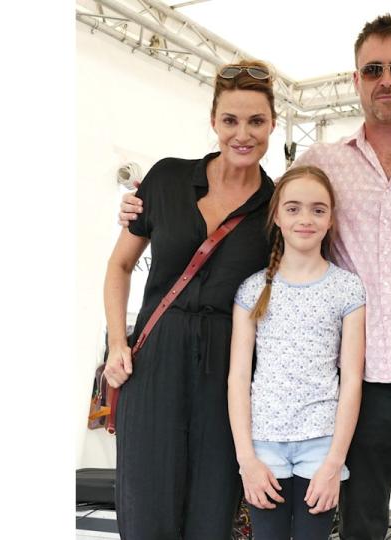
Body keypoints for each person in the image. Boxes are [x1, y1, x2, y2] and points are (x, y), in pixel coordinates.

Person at [120, 14, 391, 539]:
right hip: (366, 384)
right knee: (359, 529)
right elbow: (275, 221)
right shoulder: (324, 162)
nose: (386, 80)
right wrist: (138, 209)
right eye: (373, 69)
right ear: (356, 80)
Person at [102, 60, 279, 539]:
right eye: (231, 120)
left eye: (256, 121)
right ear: (214, 121)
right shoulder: (166, 179)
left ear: (273, 124)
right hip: (155, 360)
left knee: (211, 515)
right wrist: (118, 343)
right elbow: (119, 266)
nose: (243, 134)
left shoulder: (278, 205)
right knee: (145, 511)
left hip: (229, 370)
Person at [228, 166, 366, 540]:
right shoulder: (252, 288)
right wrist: (246, 461)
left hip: (322, 447)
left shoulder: (348, 289)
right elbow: (238, 377)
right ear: (277, 216)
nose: (305, 218)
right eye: (293, 208)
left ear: (330, 219)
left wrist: (334, 463)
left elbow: (352, 378)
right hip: (263, 446)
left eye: (318, 210)